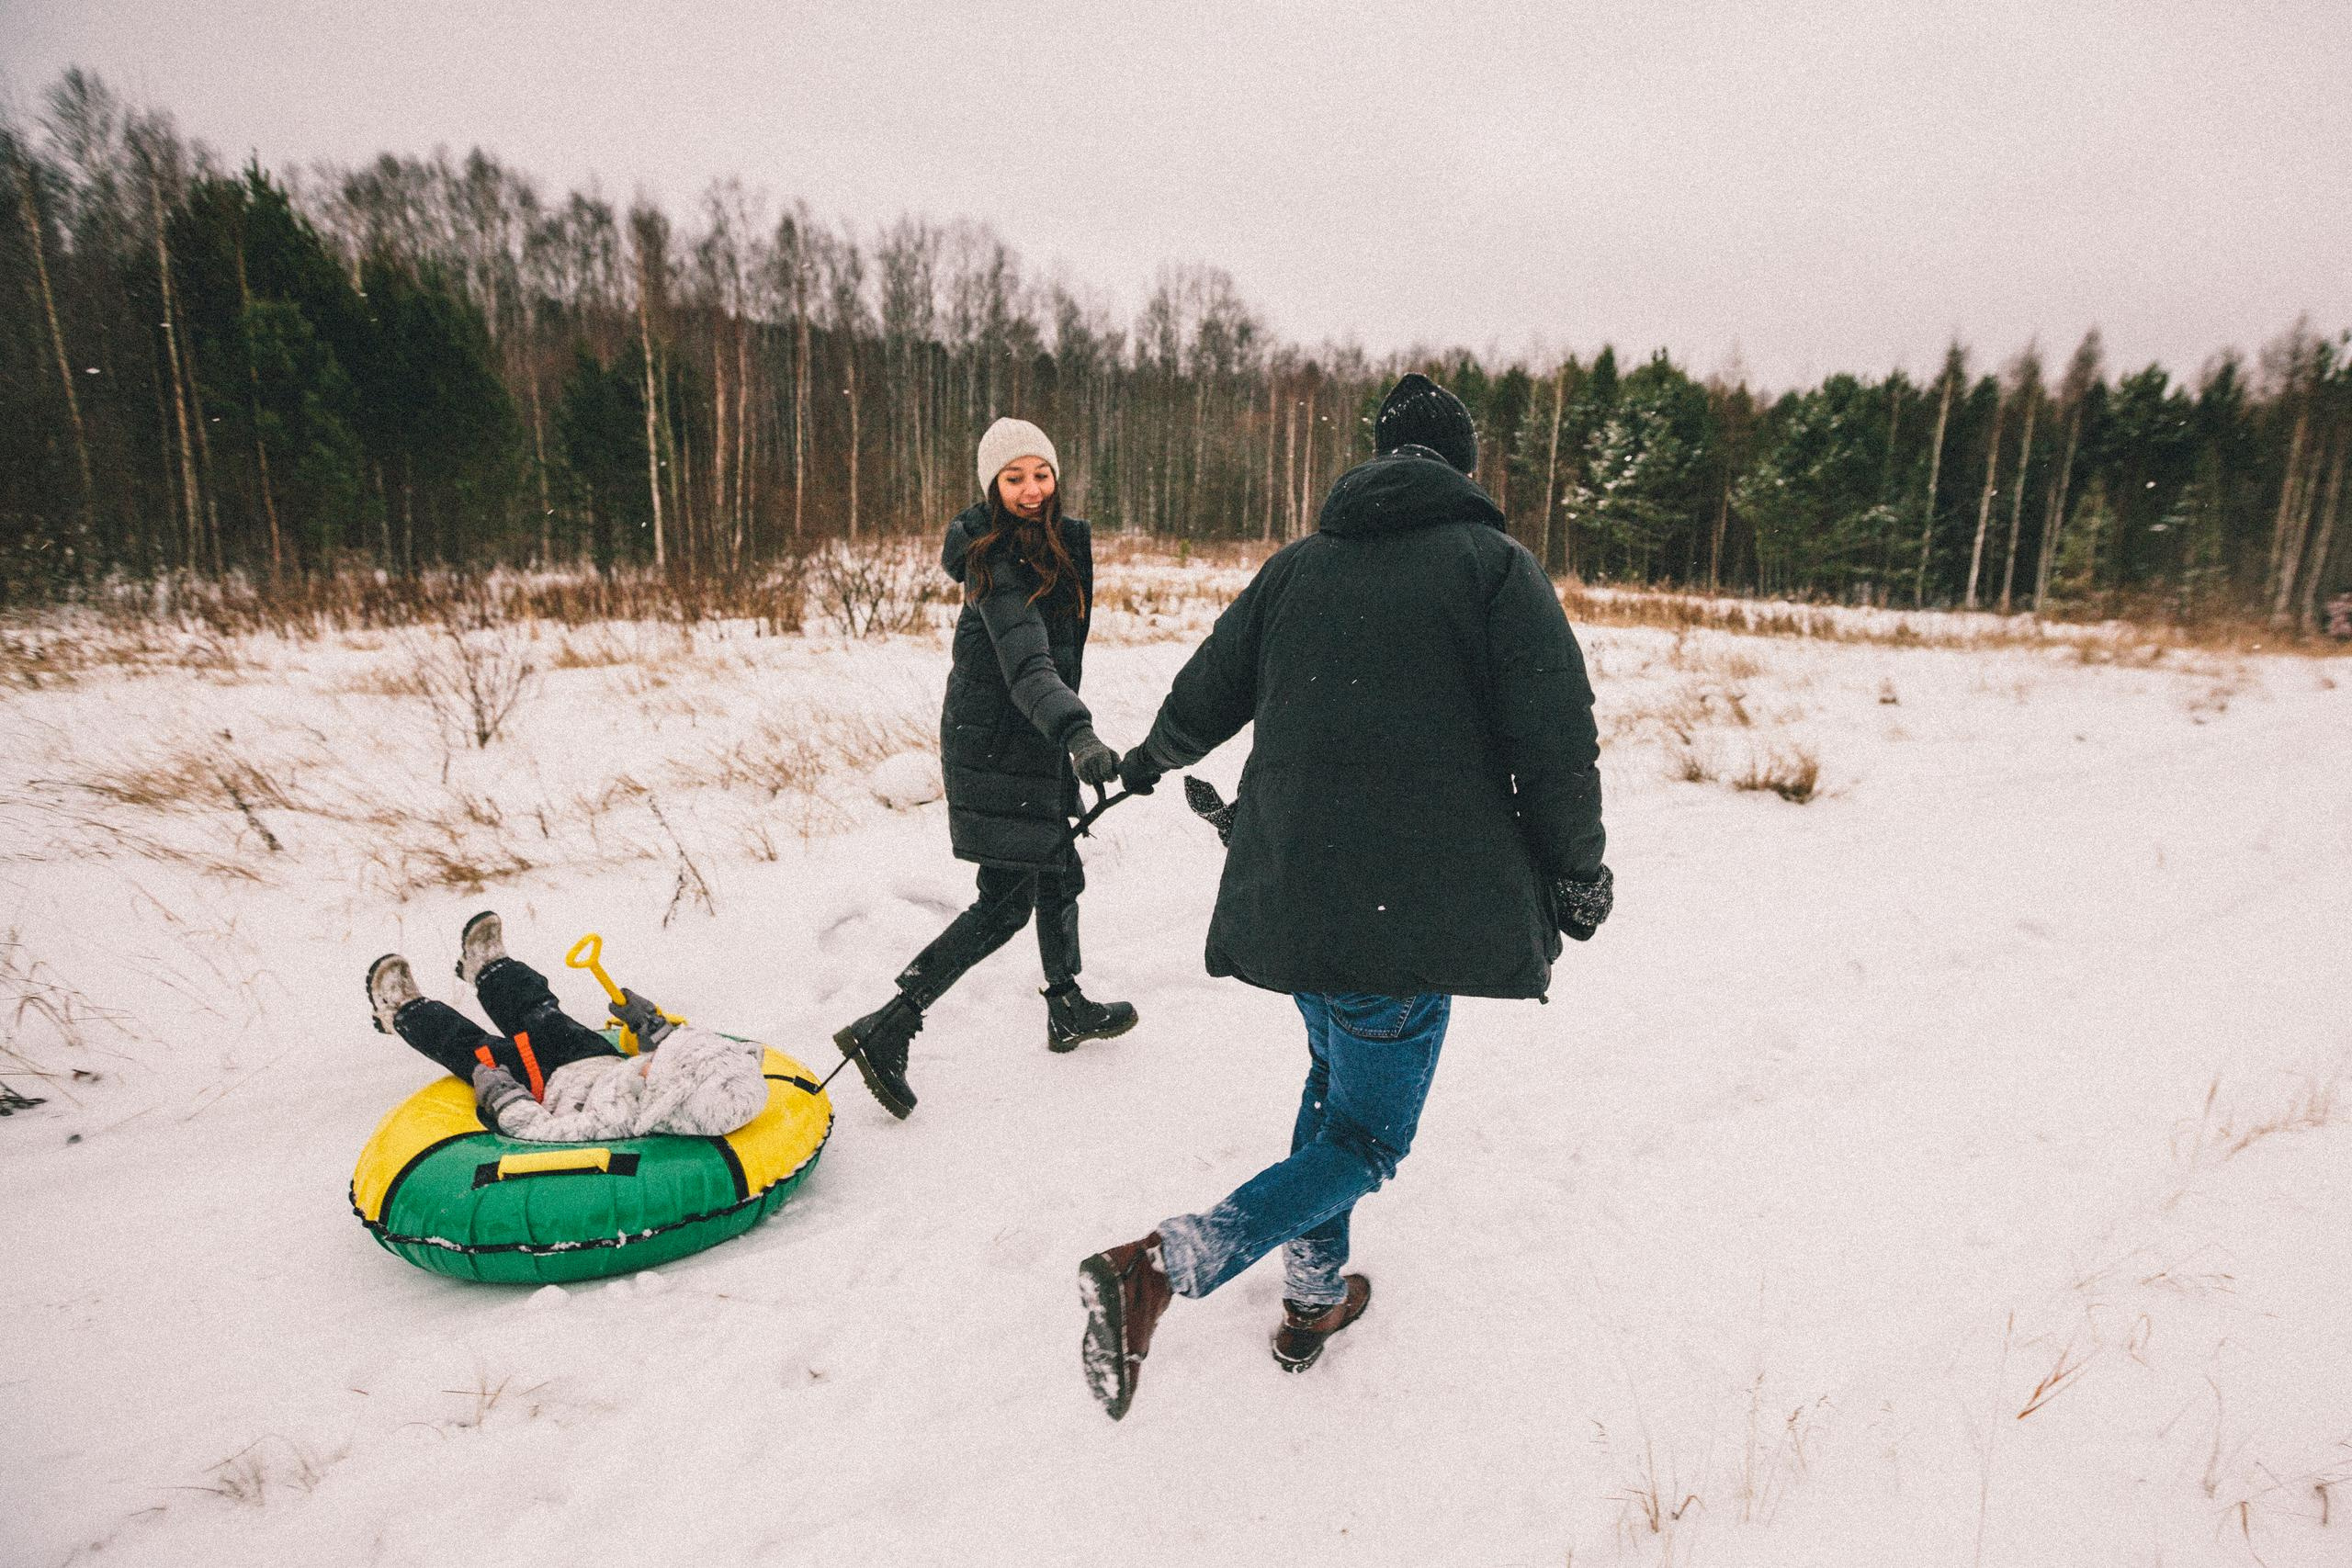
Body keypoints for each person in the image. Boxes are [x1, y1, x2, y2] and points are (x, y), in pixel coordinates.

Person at [1075, 373, 1612, 1419]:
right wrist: (1578, 871)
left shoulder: (1299, 568)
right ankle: (1164, 1264)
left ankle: (1314, 1299)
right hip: (1410, 918)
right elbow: (1556, 741)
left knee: (1333, 1099)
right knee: (1368, 1142)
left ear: (1375, 460)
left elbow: (1203, 695)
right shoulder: (1496, 570)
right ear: (1459, 467)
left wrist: (1146, 761)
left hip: (1295, 902)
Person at [831, 419, 1139, 1120]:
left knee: (1059, 866)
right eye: (1014, 478)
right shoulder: (995, 563)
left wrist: (1063, 732)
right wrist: (1078, 730)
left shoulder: (1059, 544)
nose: (1032, 490)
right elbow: (1030, 665)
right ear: (992, 487)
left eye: (1042, 473)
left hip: (1029, 735)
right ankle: (889, 1024)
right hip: (999, 743)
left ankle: (1067, 1005)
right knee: (1005, 901)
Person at [364, 912, 767, 1143]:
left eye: (659, 1062)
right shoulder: (679, 1078)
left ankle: (404, 1012)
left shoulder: (617, 1120)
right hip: (594, 1057)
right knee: (540, 1011)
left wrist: (506, 1098)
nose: (653, 1058)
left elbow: (541, 1129)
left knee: (472, 1048)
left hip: (542, 1085)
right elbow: (678, 1051)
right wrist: (648, 1025)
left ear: (667, 1092)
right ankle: (488, 970)